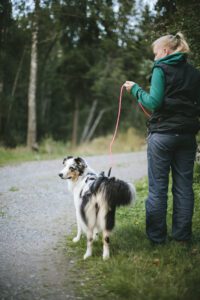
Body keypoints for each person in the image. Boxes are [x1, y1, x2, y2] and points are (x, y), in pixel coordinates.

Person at [124, 32, 200, 244]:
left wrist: (136, 90)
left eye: (155, 53)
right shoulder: (195, 73)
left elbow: (154, 102)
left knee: (158, 188)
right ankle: (182, 238)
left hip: (163, 136)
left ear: (165, 51)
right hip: (187, 137)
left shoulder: (161, 68)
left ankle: (157, 239)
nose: (154, 58)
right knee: (184, 187)